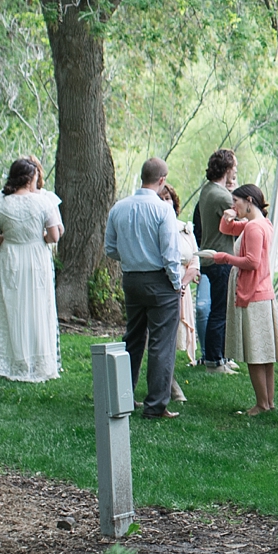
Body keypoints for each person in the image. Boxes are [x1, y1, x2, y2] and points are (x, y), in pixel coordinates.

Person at [102, 157, 182, 418]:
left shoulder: (119, 208)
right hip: (159, 280)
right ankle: (156, 405)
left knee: (133, 338)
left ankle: (125, 395)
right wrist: (176, 281)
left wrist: (131, 257)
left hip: (131, 279)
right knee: (161, 343)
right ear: (162, 180)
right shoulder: (163, 210)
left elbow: (110, 249)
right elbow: (170, 253)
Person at [0, 156, 63, 382]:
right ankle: (39, 361)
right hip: (36, 256)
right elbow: (54, 235)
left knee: (13, 306)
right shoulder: (43, 202)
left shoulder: (0, 202)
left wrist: (9, 238)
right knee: (38, 305)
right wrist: (39, 237)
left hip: (12, 257)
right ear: (30, 179)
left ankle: (14, 360)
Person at [205, 184, 278, 416]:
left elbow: (252, 261)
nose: (232, 206)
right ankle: (268, 402)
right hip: (262, 292)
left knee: (256, 354)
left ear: (249, 200)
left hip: (254, 293)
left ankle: (262, 404)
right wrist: (229, 217)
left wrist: (224, 258)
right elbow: (228, 230)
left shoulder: (255, 228)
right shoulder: (259, 223)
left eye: (235, 202)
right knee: (264, 352)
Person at [195, 149, 238, 373]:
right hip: (221, 259)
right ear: (227, 169)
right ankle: (214, 360)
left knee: (218, 310)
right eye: (234, 169)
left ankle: (220, 357)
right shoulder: (222, 196)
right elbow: (241, 223)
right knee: (220, 311)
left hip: (209, 257)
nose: (236, 173)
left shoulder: (207, 190)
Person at [166, 183, 197, 403]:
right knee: (164, 338)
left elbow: (195, 261)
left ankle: (167, 378)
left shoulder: (185, 229)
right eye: (161, 197)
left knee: (176, 337)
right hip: (164, 286)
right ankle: (170, 383)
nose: (165, 201)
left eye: (168, 197)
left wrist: (184, 285)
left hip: (182, 289)